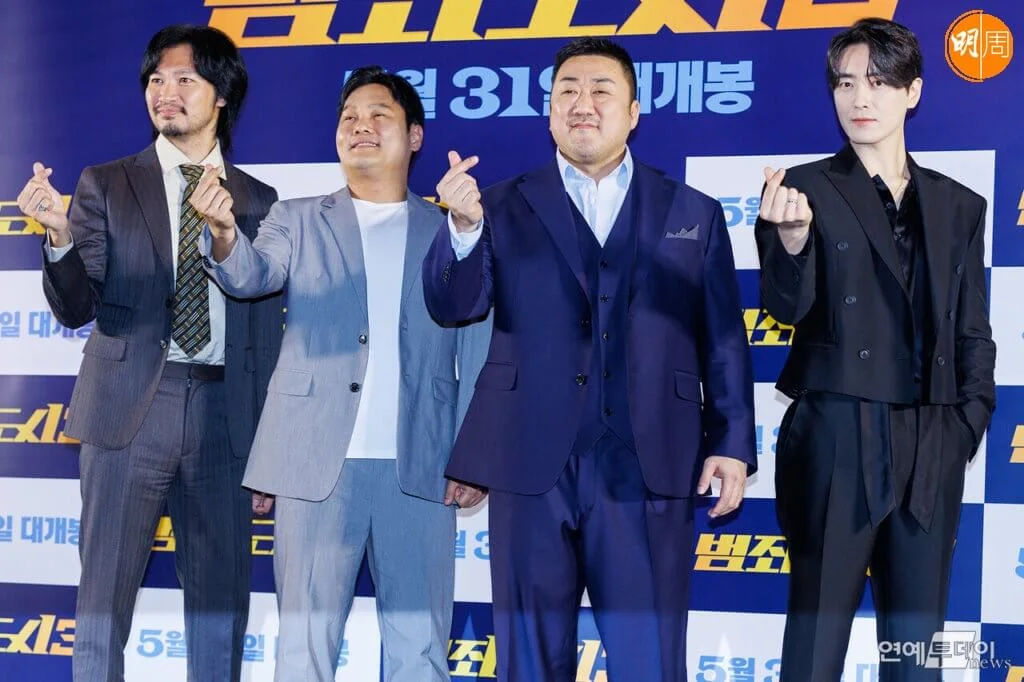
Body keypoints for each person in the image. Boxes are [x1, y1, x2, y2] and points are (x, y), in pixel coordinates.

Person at [422, 37, 756, 682]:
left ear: (633, 112)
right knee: (528, 661)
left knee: (650, 661)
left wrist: (731, 443)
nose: (583, 104)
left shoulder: (693, 211)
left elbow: (721, 337)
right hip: (529, 462)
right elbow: (453, 305)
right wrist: (461, 229)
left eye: (602, 90)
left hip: (651, 459)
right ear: (549, 113)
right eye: (567, 92)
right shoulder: (496, 205)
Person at [197, 65, 489, 682]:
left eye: (379, 114)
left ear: (414, 135)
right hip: (313, 465)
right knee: (303, 650)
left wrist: (473, 455)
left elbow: (477, 348)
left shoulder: (453, 230)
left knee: (420, 650)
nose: (361, 126)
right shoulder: (295, 218)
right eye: (349, 117)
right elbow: (251, 276)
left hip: (422, 464)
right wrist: (223, 233)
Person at [16, 24, 283, 682]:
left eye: (185, 78)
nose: (166, 91)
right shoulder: (106, 183)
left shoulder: (258, 200)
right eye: (156, 80)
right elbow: (76, 307)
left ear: (222, 93)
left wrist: (269, 448)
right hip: (128, 409)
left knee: (220, 607)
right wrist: (59, 239)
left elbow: (265, 338)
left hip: (225, 418)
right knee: (101, 604)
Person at [754, 17, 995, 681]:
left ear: (912, 92)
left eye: (879, 82)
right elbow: (782, 308)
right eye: (846, 83)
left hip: (931, 440)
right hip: (836, 432)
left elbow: (973, 328)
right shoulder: (799, 189)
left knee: (918, 652)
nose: (860, 97)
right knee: (813, 649)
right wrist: (792, 243)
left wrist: (964, 423)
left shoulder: (960, 205)